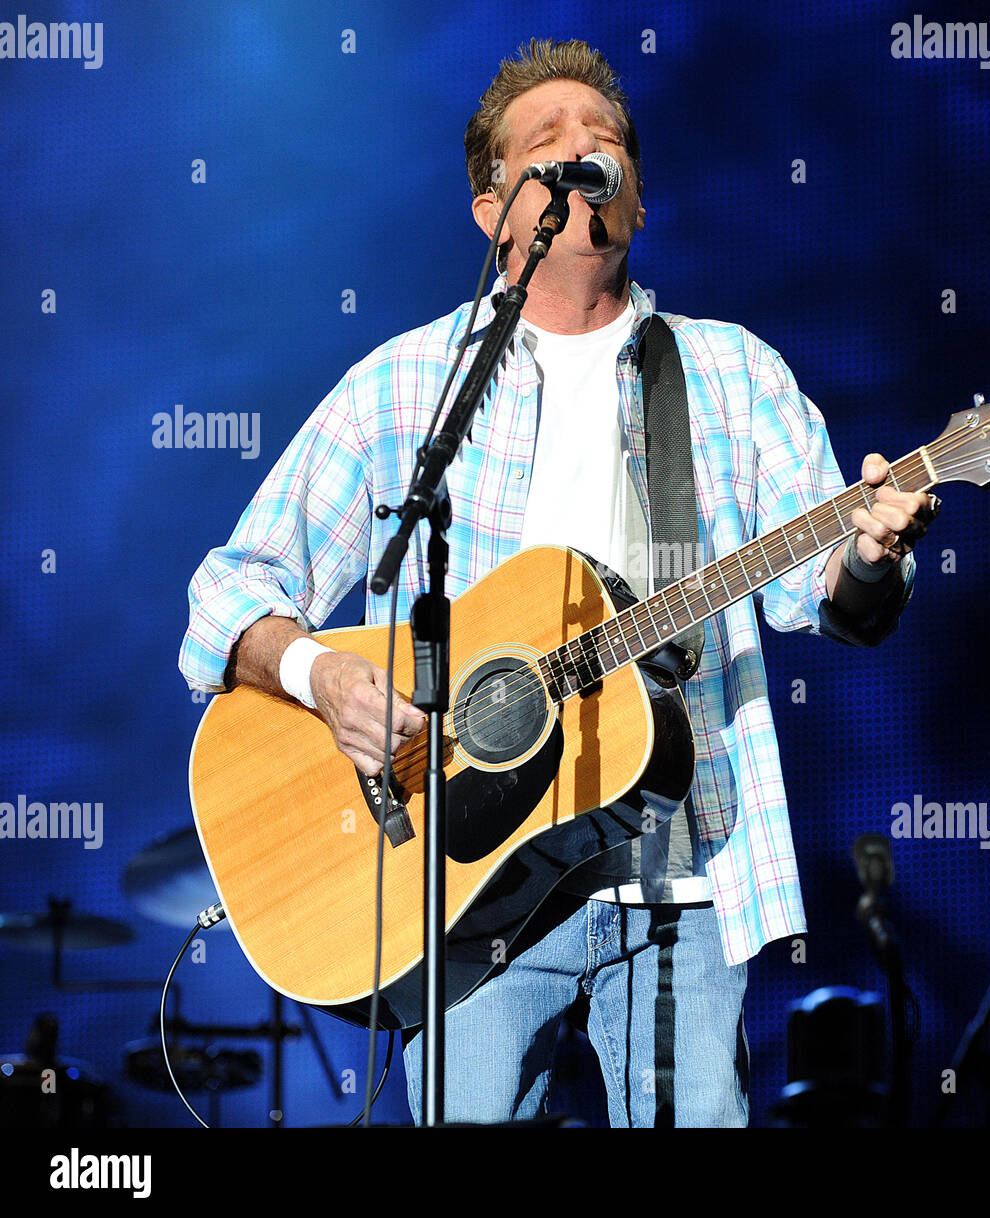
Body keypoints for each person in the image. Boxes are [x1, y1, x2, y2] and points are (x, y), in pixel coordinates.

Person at [179, 38, 937, 1127]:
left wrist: (870, 552)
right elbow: (227, 591)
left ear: (634, 195)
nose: (586, 153)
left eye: (607, 141)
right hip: (463, 888)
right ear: (493, 213)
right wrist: (322, 678)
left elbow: (826, 596)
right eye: (548, 146)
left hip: (681, 868)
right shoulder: (404, 392)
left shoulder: (730, 374)